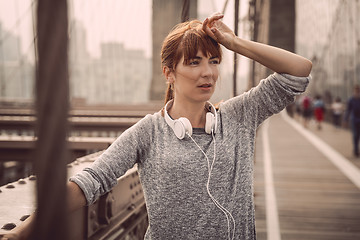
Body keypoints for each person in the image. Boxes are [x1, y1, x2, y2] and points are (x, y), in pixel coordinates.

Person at [1, 13, 312, 240]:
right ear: (169, 73)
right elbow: (90, 181)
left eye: (213, 61)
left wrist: (232, 42)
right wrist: (23, 232)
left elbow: (299, 72)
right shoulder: (148, 132)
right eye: (194, 62)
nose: (208, 73)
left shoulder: (239, 116)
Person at [345, 85, 360, 157]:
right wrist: (345, 119)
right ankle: (356, 150)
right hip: (354, 120)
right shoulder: (351, 99)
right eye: (356, 90)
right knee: (355, 135)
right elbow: (348, 110)